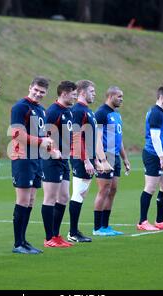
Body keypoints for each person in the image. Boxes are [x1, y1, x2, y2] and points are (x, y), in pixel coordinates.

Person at [9, 76, 54, 254]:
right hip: (23, 158)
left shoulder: (42, 110)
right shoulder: (20, 107)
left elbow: (43, 137)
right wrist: (41, 141)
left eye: (42, 92)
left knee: (31, 201)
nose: (38, 94)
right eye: (36, 90)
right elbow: (17, 134)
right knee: (22, 200)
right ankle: (17, 243)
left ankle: (24, 241)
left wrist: (50, 146)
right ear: (30, 88)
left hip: (37, 159)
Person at [67, 80, 112, 242]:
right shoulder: (78, 110)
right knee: (78, 193)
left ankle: (73, 231)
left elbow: (92, 137)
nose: (94, 94)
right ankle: (72, 232)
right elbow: (77, 136)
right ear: (82, 92)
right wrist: (86, 160)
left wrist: (97, 160)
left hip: (88, 157)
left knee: (82, 193)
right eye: (91, 91)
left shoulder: (88, 111)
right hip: (80, 157)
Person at [137, 86, 163, 231]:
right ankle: (142, 221)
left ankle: (160, 220)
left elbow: (162, 138)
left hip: (162, 155)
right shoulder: (156, 113)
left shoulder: (162, 113)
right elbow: (154, 137)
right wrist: (161, 157)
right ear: (161, 97)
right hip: (152, 155)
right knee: (150, 187)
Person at [41, 81, 77, 248]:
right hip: (50, 160)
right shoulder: (53, 111)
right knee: (50, 198)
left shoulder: (68, 112)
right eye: (73, 94)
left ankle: (56, 234)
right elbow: (43, 135)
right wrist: (52, 150)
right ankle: (49, 238)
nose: (75, 97)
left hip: (64, 160)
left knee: (63, 197)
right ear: (64, 94)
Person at [93, 86, 130, 236]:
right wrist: (101, 159)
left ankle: (106, 226)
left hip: (115, 157)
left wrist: (125, 158)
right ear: (110, 96)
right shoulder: (101, 113)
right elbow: (97, 138)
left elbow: (118, 139)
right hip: (105, 155)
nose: (121, 99)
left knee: (113, 190)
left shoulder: (117, 115)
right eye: (119, 96)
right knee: (103, 190)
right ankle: (97, 228)